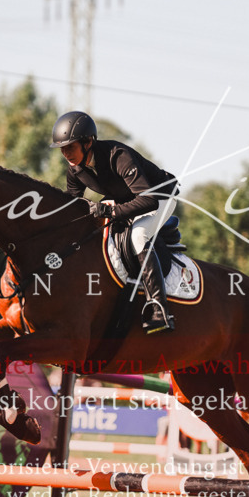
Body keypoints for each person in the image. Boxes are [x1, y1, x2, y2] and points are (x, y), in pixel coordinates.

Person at [50, 110, 178, 334]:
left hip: (161, 197)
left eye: (70, 147)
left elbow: (148, 201)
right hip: (124, 197)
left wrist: (110, 211)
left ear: (88, 142)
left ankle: (159, 307)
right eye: (62, 149)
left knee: (138, 235)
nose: (65, 154)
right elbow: (73, 208)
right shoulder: (75, 169)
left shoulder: (118, 156)